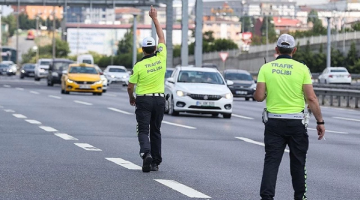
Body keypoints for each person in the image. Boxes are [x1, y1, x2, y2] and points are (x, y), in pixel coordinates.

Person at [254, 34, 326, 200]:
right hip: (296, 123)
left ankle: (267, 197)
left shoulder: (266, 68)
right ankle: (300, 197)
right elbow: (311, 98)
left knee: (271, 162)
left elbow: (258, 97)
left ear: (276, 50)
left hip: (273, 123)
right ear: (294, 50)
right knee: (298, 163)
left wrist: (264, 92)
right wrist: (320, 121)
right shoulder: (302, 69)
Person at [127, 6, 166, 173]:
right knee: (156, 130)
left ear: (142, 50)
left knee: (143, 130)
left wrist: (131, 98)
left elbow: (130, 86)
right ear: (155, 48)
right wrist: (154, 18)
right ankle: (156, 162)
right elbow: (162, 36)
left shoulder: (139, 66)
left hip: (143, 100)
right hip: (159, 100)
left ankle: (146, 153)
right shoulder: (162, 57)